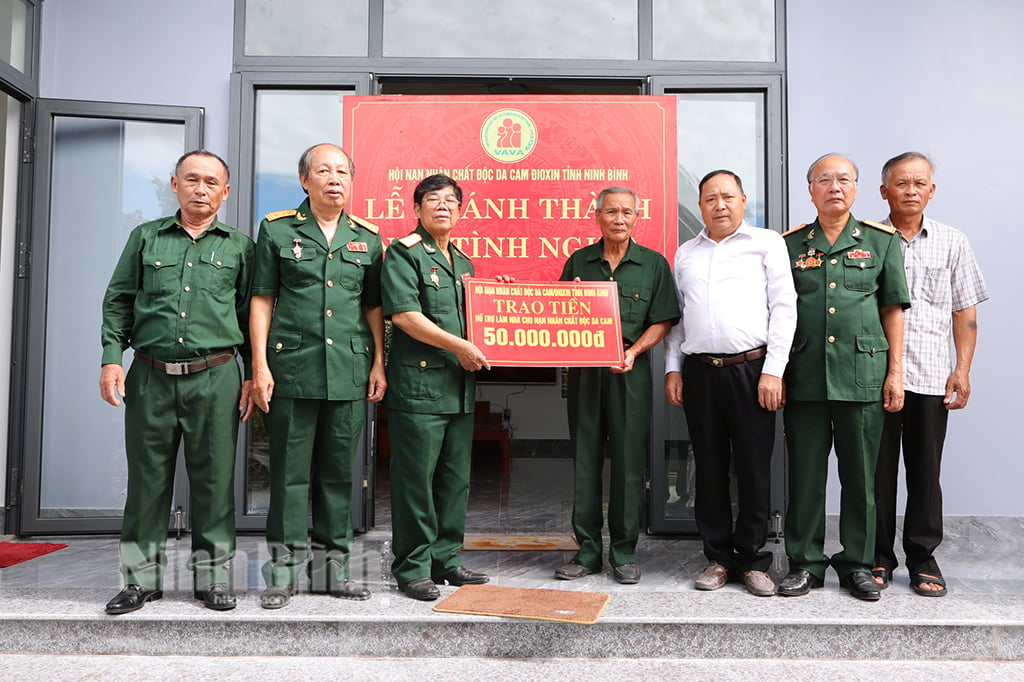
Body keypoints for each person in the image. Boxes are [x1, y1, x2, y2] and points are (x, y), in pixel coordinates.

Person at [100, 150, 254, 615]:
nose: (201, 189)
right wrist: (111, 359)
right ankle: (140, 582)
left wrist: (251, 373)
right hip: (149, 376)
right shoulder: (145, 239)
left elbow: (251, 315)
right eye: (192, 180)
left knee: (213, 482)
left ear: (225, 192)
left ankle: (212, 581)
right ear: (174, 184)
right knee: (146, 483)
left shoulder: (239, 247)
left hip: (216, 376)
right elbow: (118, 301)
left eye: (211, 182)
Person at [250, 143, 386, 609]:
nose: (335, 179)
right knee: (288, 475)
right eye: (324, 171)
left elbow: (373, 306)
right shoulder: (277, 229)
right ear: (305, 180)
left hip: (348, 370)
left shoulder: (368, 238)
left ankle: (333, 572)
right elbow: (262, 300)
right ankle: (283, 573)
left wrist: (379, 362)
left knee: (336, 476)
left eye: (343, 171)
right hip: (291, 368)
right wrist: (260, 364)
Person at [777, 154, 910, 601]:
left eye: (844, 180)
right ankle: (805, 563)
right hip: (806, 377)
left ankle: (857, 562)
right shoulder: (791, 245)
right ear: (810, 189)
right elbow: (778, 312)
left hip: (863, 376)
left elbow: (892, 307)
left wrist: (895, 372)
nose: (835, 187)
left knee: (861, 479)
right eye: (825, 180)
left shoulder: (880, 242)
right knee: (806, 477)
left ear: (856, 188)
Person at [664, 170, 797, 597]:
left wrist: (774, 370)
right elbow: (680, 319)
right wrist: (673, 367)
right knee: (710, 467)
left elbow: (784, 308)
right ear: (700, 205)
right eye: (710, 199)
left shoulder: (766, 244)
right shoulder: (685, 253)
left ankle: (754, 559)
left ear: (743, 200)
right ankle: (718, 557)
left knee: (755, 467)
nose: (719, 205)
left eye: (727, 196)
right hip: (701, 371)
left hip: (753, 371)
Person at [872, 152, 989, 597]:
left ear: (931, 191)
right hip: (876, 374)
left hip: (933, 375)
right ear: (884, 191)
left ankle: (922, 556)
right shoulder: (869, 239)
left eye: (919, 183)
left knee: (926, 471)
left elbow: (965, 311)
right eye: (901, 183)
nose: (911, 190)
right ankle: (878, 556)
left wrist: (962, 369)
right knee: (877, 473)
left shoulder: (953, 241)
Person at [556, 186, 680, 585]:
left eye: (627, 212)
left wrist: (635, 351)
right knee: (586, 461)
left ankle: (624, 553)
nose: (619, 218)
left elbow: (662, 320)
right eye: (612, 211)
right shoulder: (579, 261)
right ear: (598, 216)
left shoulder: (653, 265)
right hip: (586, 373)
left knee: (628, 464)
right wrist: (566, 302)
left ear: (636, 218)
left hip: (630, 370)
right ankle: (588, 551)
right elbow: (555, 313)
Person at [382, 174, 492, 601]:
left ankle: (445, 560)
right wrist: (460, 345)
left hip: (459, 388)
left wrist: (494, 301)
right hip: (420, 387)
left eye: (451, 201)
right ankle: (412, 568)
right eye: (433, 200)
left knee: (454, 481)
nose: (443, 206)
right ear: (417, 209)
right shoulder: (403, 253)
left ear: (461, 212)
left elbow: (473, 318)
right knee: (416, 481)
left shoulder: (463, 264)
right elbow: (405, 316)